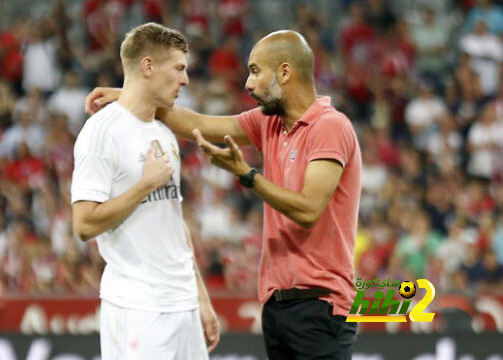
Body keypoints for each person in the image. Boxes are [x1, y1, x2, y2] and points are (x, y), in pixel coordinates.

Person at [86, 29, 362, 360]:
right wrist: (133, 94)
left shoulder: (330, 127)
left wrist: (246, 174)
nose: (248, 83)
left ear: (285, 72)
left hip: (321, 304)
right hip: (279, 306)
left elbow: (308, 209)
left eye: (256, 71)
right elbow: (196, 123)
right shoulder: (269, 123)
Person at [71, 23, 219, 360]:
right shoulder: (101, 133)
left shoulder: (163, 132)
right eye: (179, 68)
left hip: (182, 304)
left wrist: (200, 296)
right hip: (138, 308)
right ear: (148, 66)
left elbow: (174, 221)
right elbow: (84, 225)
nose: (185, 80)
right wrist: (144, 185)